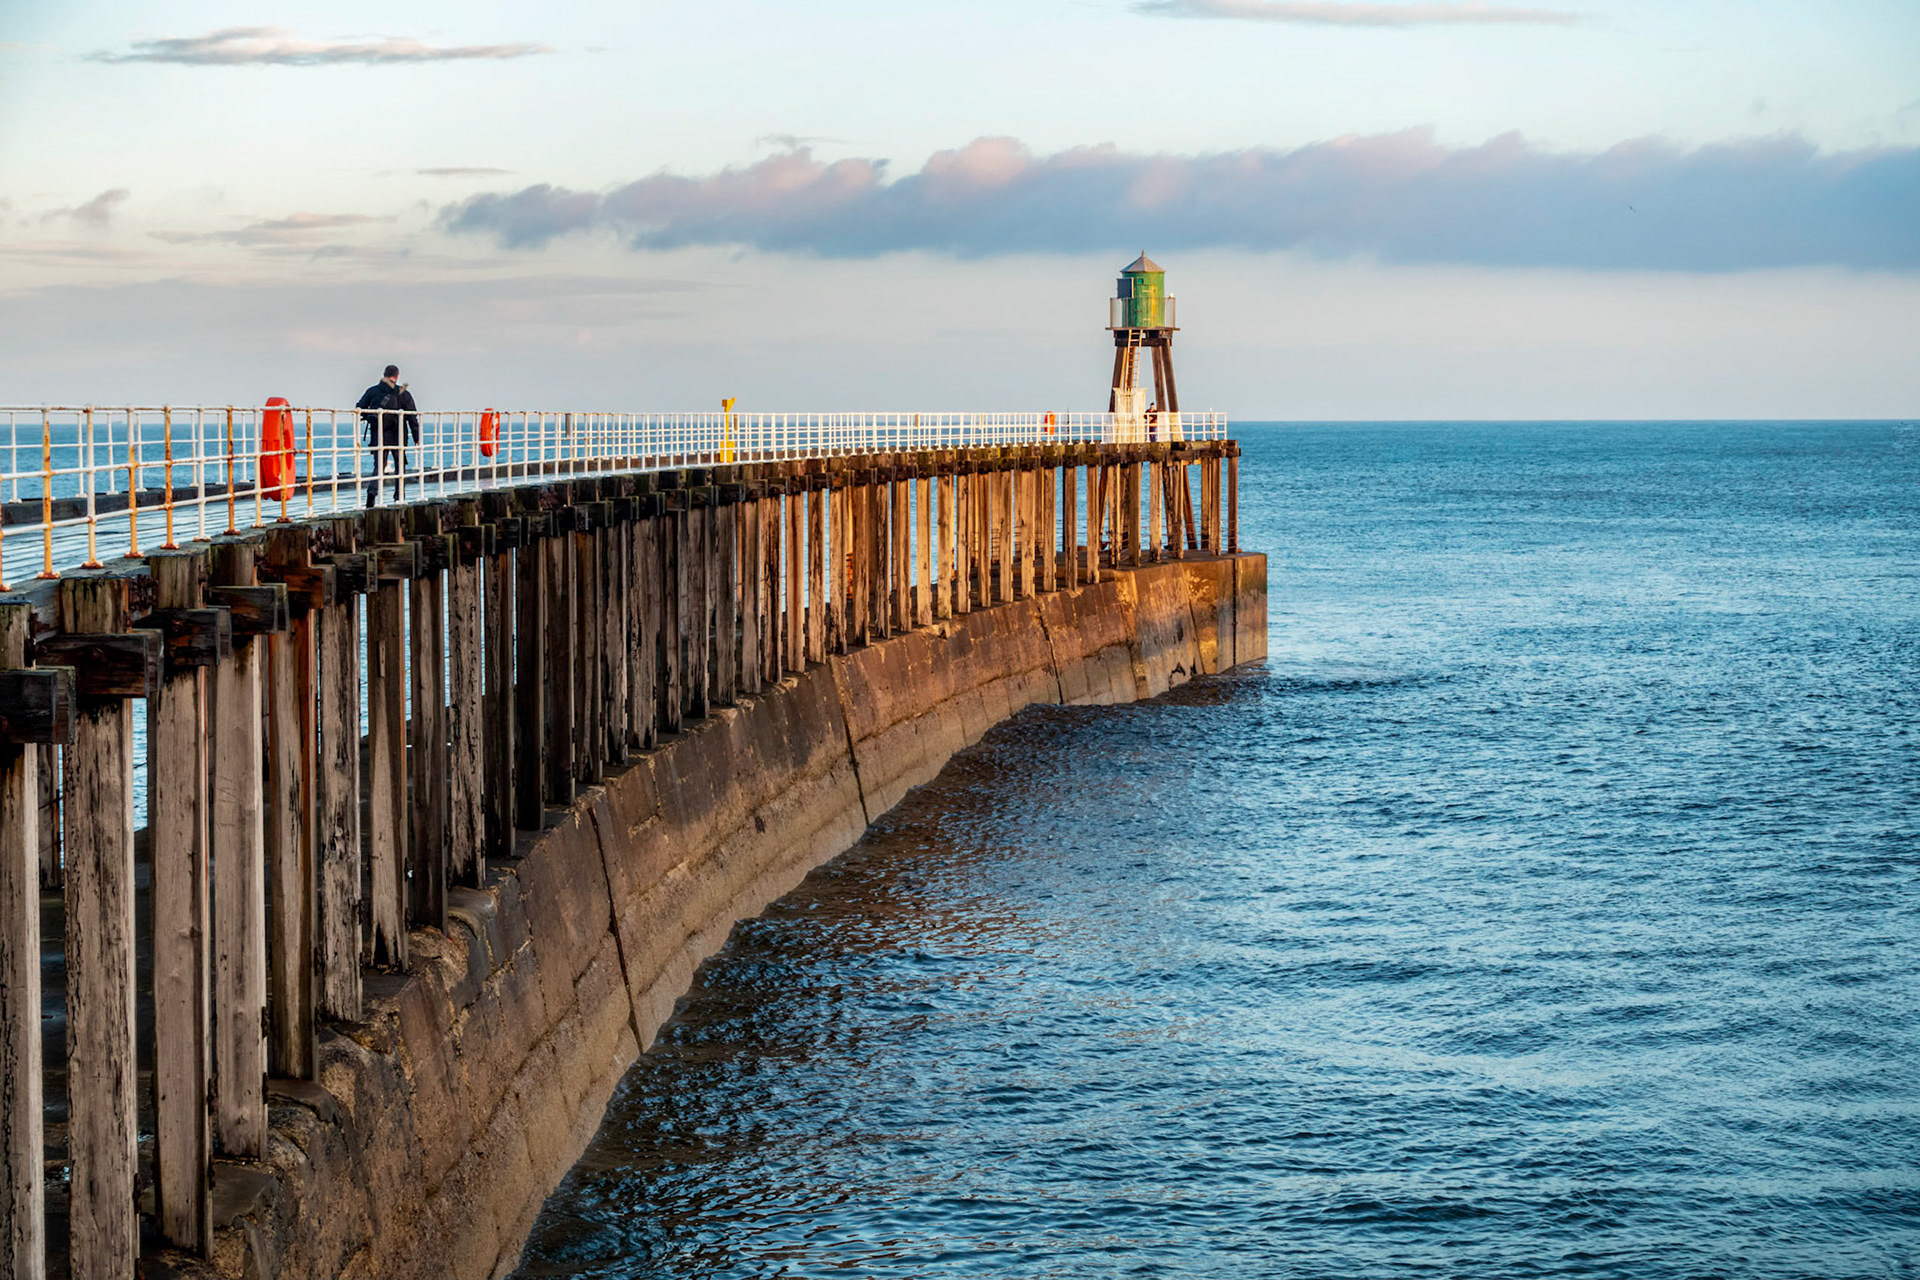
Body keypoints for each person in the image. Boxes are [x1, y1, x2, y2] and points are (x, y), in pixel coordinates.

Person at [357, 364, 419, 505]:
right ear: (397, 377)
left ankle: (372, 492)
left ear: (384, 375)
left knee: (379, 465)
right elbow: (412, 417)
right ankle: (399, 496)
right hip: (398, 435)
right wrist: (417, 437)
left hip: (378, 434)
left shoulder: (373, 391)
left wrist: (370, 417)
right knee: (400, 465)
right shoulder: (403, 393)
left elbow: (359, 407)